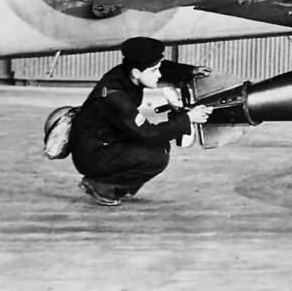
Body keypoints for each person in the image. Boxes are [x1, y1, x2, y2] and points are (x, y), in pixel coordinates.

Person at [69, 37, 212, 206]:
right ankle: (100, 185)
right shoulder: (116, 97)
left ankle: (115, 186)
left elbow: (161, 68)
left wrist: (191, 71)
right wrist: (187, 118)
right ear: (136, 73)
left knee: (161, 146)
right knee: (156, 157)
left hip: (106, 141)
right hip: (93, 154)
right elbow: (149, 134)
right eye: (154, 71)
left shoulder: (126, 72)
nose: (159, 75)